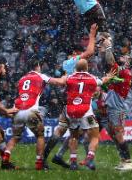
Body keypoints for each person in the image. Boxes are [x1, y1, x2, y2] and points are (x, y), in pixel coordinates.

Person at [42, 23, 97, 168]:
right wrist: (92, 33)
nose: (80, 55)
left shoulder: (68, 64)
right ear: (73, 54)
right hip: (78, 103)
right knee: (82, 132)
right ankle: (85, 160)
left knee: (70, 132)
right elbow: (90, 51)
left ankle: (53, 157)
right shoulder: (74, 62)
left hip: (70, 102)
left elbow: (63, 81)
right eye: (78, 53)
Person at [4, 59, 67, 171]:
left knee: (15, 137)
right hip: (31, 110)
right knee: (40, 135)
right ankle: (39, 164)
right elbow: (60, 82)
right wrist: (65, 76)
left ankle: (5, 159)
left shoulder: (22, 79)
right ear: (38, 66)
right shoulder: (40, 76)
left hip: (17, 110)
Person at [64, 59, 116, 171]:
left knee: (73, 136)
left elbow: (61, 82)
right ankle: (90, 158)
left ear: (76, 68)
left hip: (71, 111)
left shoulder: (70, 77)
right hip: (86, 112)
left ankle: (73, 163)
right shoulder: (92, 78)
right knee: (95, 136)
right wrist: (109, 76)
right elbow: (103, 80)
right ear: (87, 68)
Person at [103, 54, 132, 171]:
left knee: (119, 135)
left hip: (118, 108)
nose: (122, 57)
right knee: (116, 135)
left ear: (128, 63)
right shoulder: (121, 72)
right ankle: (123, 160)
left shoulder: (125, 71)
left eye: (126, 57)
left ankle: (129, 162)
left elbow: (111, 62)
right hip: (113, 108)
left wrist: (107, 47)